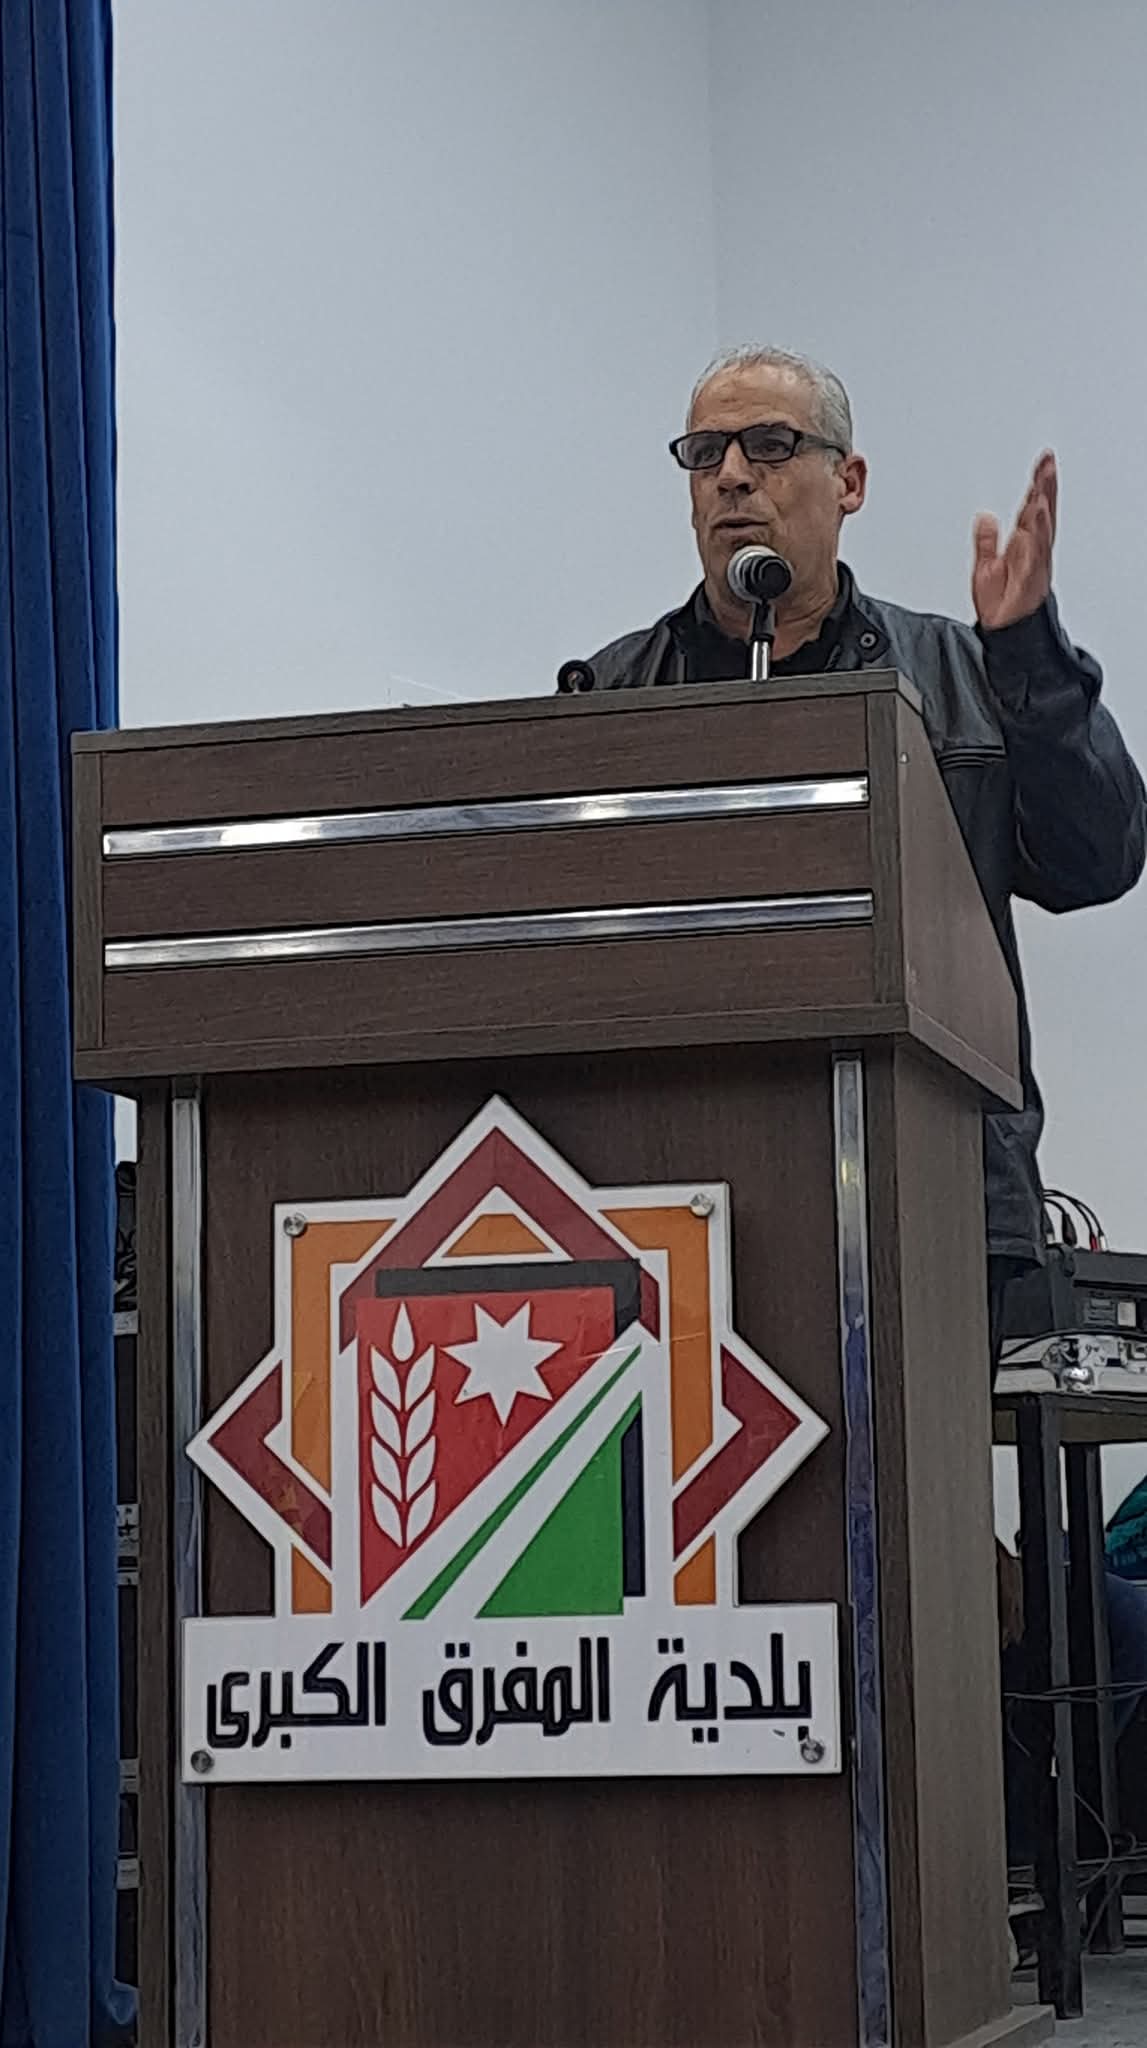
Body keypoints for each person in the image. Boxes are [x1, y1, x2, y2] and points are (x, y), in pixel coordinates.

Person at [574, 345, 1147, 1333]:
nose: (731, 475)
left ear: (849, 482)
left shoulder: (963, 675)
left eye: (768, 444)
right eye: (705, 452)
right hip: (671, 1190)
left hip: (934, 1183)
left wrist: (1028, 661)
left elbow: (1098, 859)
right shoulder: (613, 692)